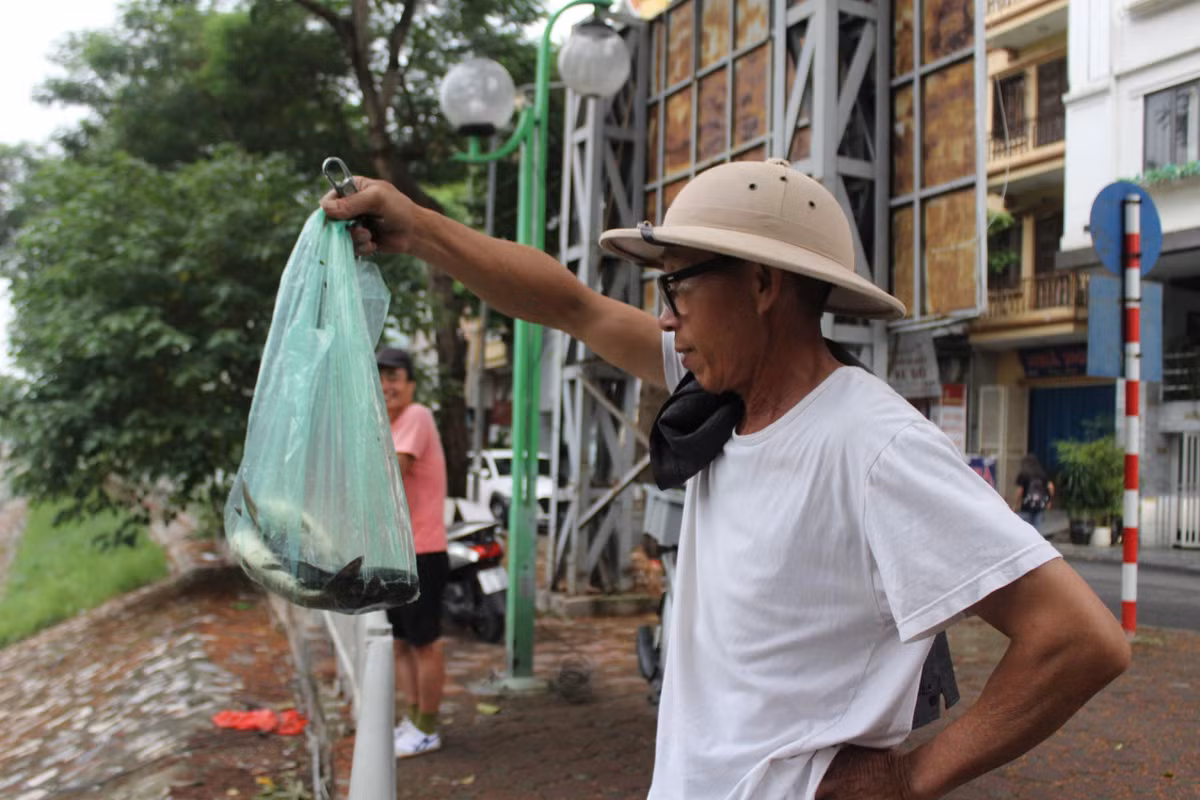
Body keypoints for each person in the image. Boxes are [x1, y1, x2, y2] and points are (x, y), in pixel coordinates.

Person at [326, 159, 1130, 799]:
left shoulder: (870, 443)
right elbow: (569, 306)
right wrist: (420, 230)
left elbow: (1078, 639)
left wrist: (912, 775)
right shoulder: (720, 395)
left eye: (677, 284)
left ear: (762, 284)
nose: (665, 315)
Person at [376, 347, 449, 758]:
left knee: (426, 644)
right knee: (400, 644)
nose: (387, 385)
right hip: (396, 554)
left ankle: (428, 728)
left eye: (395, 377)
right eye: (381, 377)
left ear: (410, 384)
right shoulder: (386, 425)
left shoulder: (415, 417)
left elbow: (392, 469)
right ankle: (413, 718)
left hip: (421, 552)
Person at [1014, 453, 1055, 537]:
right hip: (1040, 505)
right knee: (1038, 531)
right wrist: (1049, 500)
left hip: (1026, 505)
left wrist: (1015, 504)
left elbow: (1020, 491)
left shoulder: (1023, 474)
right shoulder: (1042, 474)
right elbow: (1051, 487)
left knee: (1024, 530)